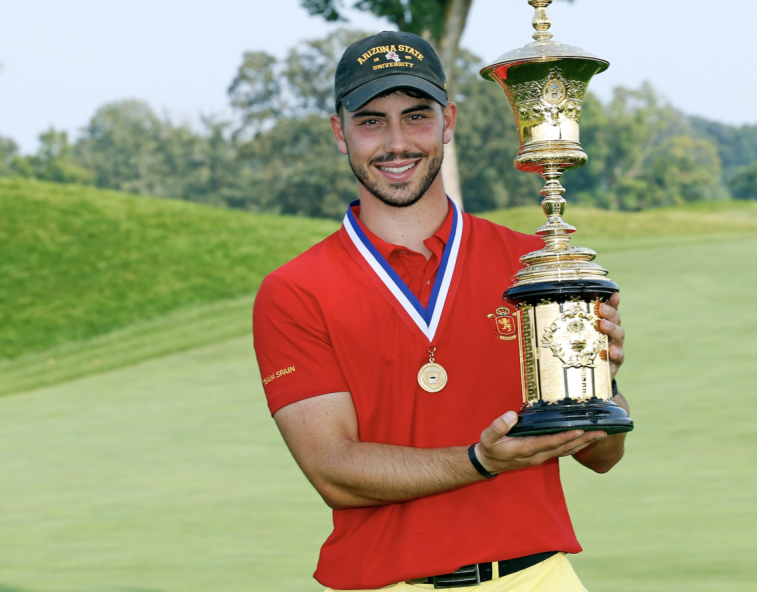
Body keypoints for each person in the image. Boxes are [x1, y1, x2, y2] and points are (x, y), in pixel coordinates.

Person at [252, 30, 629, 591]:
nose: (396, 142)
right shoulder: (295, 291)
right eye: (371, 120)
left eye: (416, 116)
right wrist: (481, 460)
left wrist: (598, 382)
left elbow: (604, 456)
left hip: (536, 579)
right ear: (340, 132)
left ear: (449, 122)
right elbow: (334, 471)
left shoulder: (533, 263)